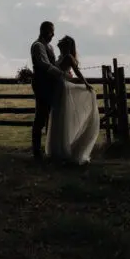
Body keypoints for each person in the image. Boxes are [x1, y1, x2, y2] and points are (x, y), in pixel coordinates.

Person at [45, 35, 100, 165]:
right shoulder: (61, 57)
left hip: (61, 88)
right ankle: (56, 150)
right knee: (56, 116)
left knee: (61, 116)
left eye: (62, 45)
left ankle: (61, 150)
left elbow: (77, 72)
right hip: (57, 87)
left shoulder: (68, 57)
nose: (60, 46)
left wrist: (86, 84)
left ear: (67, 46)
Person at [30, 21, 64, 160]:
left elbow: (52, 64)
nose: (53, 34)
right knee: (41, 116)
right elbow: (44, 64)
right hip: (41, 84)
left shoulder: (49, 46)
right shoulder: (38, 46)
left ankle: (48, 148)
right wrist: (61, 73)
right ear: (43, 31)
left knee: (49, 116)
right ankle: (37, 151)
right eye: (51, 31)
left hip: (49, 84)